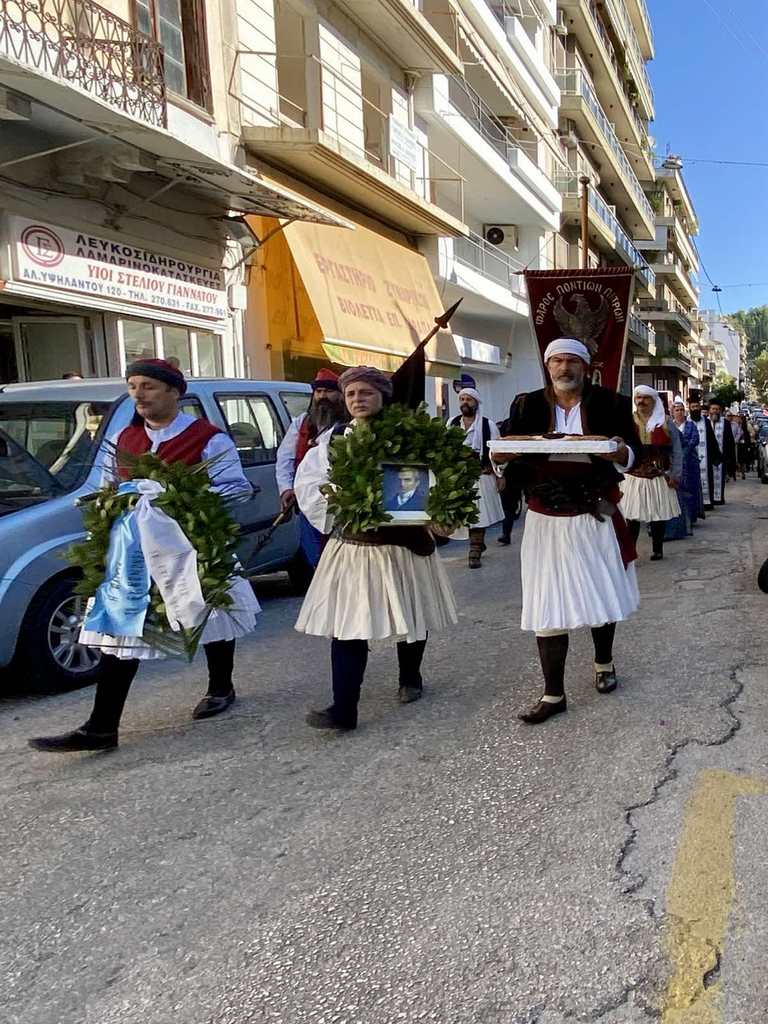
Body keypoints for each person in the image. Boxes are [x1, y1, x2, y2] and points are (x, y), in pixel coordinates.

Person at [29, 359, 260, 752]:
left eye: (149, 386)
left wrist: (182, 499)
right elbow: (105, 487)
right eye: (134, 385)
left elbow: (237, 488)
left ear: (174, 392)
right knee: (123, 626)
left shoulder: (208, 438)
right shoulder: (123, 438)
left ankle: (221, 686)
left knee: (207, 611)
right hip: (134, 551)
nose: (138, 394)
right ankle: (101, 727)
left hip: (189, 547)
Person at [293, 366, 458, 731]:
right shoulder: (334, 440)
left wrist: (415, 508)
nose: (357, 400)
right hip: (355, 545)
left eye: (366, 393)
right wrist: (339, 503)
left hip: (402, 544)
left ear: (383, 397)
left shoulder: (407, 436)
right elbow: (309, 483)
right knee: (348, 625)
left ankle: (410, 676)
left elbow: (423, 488)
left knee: (411, 613)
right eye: (351, 394)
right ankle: (344, 709)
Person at [496, 338, 642, 726]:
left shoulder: (611, 403)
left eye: (571, 361)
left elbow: (635, 455)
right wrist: (499, 460)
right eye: (557, 360)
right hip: (544, 516)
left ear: (586, 367)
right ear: (548, 366)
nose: (564, 368)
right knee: (546, 601)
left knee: (600, 591)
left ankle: (603, 662)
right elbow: (504, 451)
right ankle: (553, 694)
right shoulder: (526, 404)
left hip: (592, 510)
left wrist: (619, 453)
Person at [275, 369, 345, 567]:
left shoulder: (345, 426)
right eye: (319, 391)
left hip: (335, 506)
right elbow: (285, 458)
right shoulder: (301, 423)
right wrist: (286, 488)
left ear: (339, 395)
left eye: (328, 392)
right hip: (306, 505)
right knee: (316, 559)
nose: (323, 396)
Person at [620, 386, 682, 562]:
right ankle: (630, 552)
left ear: (654, 401)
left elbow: (677, 450)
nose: (640, 402)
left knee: (657, 514)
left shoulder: (666, 422)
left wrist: (675, 474)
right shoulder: (627, 421)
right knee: (631, 516)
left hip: (659, 475)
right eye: (638, 398)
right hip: (633, 475)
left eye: (645, 398)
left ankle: (657, 549)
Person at [448, 387, 504, 568]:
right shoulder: (452, 423)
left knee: (479, 516)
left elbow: (498, 452)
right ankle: (478, 544)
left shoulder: (488, 425)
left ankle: (475, 550)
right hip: (458, 478)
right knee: (463, 515)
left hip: (481, 476)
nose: (465, 402)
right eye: (462, 399)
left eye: (468, 399)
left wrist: (499, 473)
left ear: (476, 403)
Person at [665, 396, 704, 540]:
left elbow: (694, 440)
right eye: (677, 410)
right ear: (672, 412)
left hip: (690, 464)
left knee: (689, 492)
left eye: (682, 410)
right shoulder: (670, 426)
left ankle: (690, 519)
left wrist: (682, 452)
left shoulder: (690, 425)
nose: (680, 412)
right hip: (674, 464)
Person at [688, 393, 721, 511]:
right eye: (693, 407)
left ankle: (706, 502)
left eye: (697, 406)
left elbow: (712, 440)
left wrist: (716, 456)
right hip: (690, 459)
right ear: (690, 408)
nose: (695, 409)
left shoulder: (706, 422)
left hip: (705, 460)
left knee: (706, 479)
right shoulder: (686, 422)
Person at [706, 397, 737, 505]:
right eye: (713, 409)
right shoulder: (704, 422)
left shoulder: (725, 423)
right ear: (709, 410)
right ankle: (708, 499)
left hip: (721, 457)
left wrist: (729, 460)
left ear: (720, 410)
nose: (715, 411)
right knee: (708, 478)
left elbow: (730, 442)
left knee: (719, 478)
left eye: (717, 409)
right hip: (707, 457)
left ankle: (718, 498)